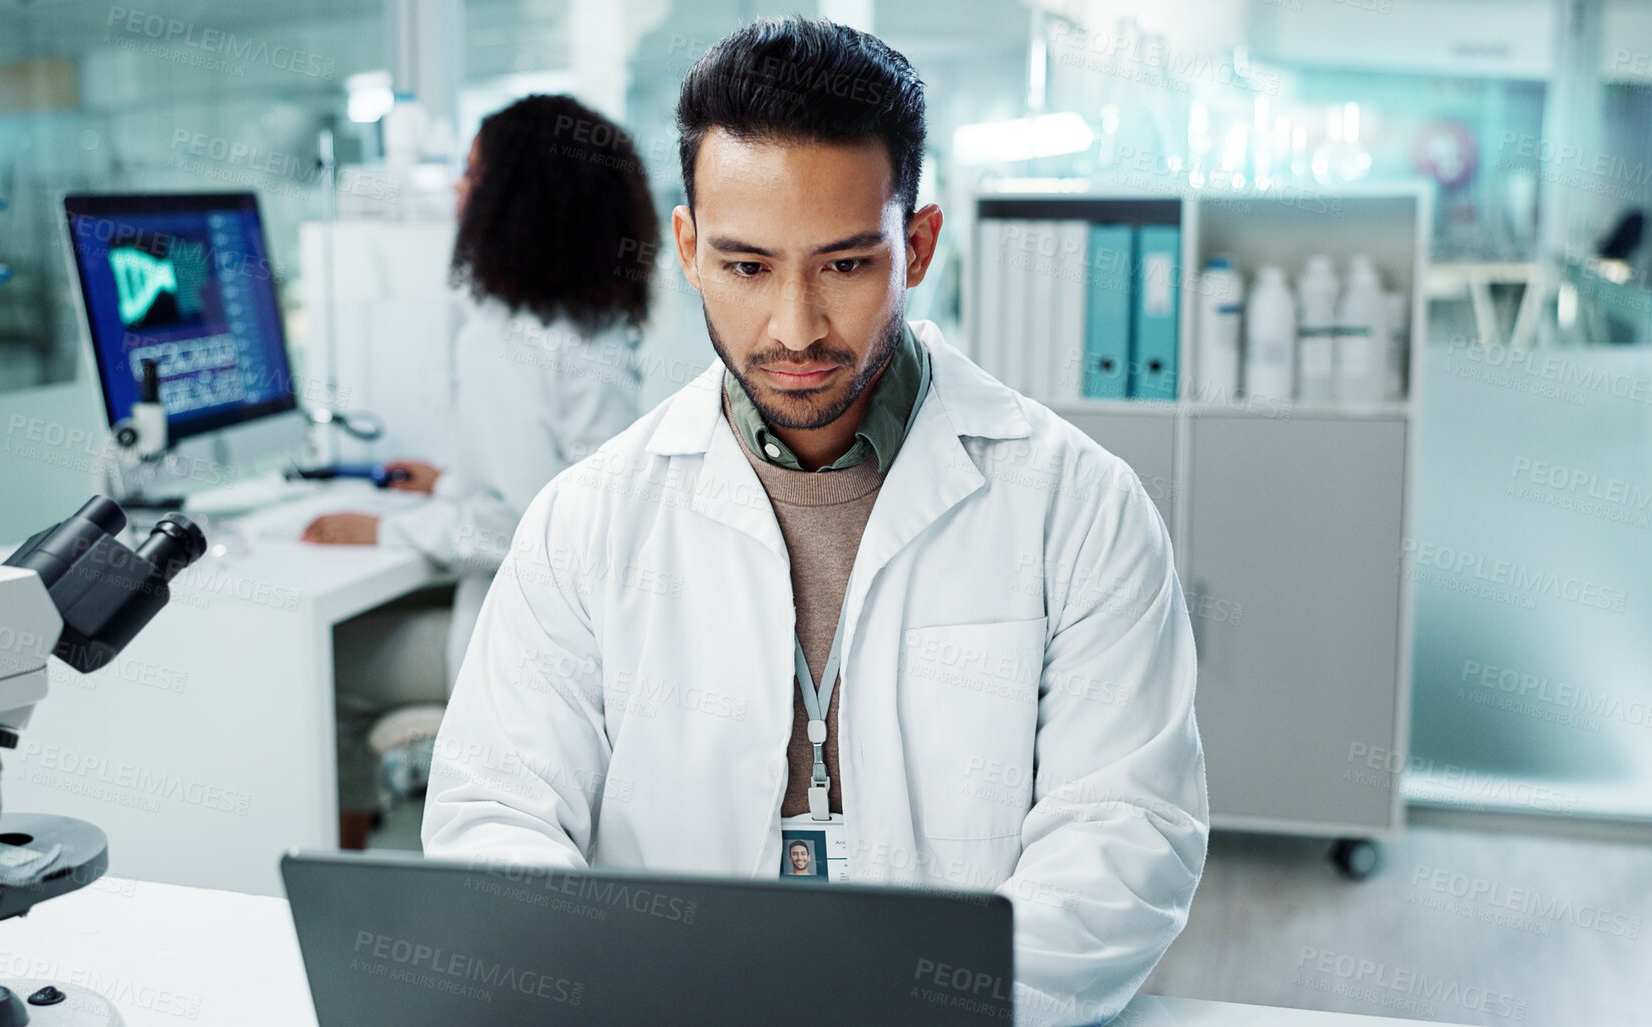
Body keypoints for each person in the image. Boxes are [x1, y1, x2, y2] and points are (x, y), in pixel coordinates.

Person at [422, 18, 1207, 1027]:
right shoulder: (587, 521)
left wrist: (927, 1006)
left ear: (916, 245)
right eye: (748, 268)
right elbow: (496, 819)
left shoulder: (1078, 507)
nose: (795, 327)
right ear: (690, 250)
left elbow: (1127, 838)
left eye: (843, 265)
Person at [302, 96, 657, 839]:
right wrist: (449, 481)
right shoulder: (592, 327)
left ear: (515, 198)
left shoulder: (504, 339)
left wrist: (388, 529)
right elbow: (566, 480)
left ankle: (344, 861)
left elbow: (521, 526)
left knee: (321, 664)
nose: (459, 194)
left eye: (471, 174)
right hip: (600, 641)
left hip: (528, 649)